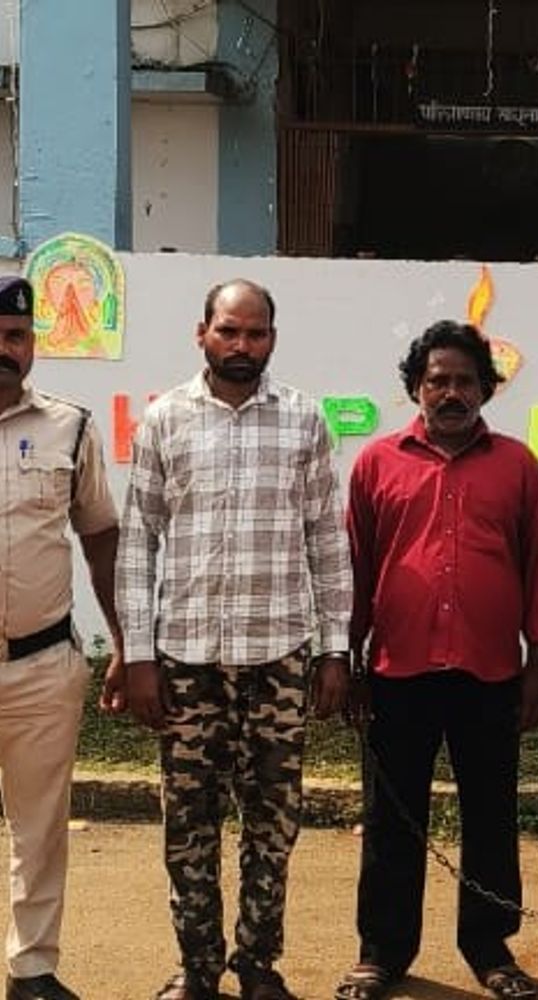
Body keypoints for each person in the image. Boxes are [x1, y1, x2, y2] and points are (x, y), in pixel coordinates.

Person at [116, 279, 352, 1000]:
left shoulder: (304, 420)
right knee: (188, 824)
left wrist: (335, 649)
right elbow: (138, 543)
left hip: (278, 657)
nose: (241, 345)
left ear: (272, 339)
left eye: (255, 333)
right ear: (203, 334)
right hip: (185, 661)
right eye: (228, 331)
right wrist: (138, 655)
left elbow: (326, 541)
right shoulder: (164, 419)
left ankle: (257, 966)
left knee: (272, 824)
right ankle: (196, 969)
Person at [335, 320, 538, 1000]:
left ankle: (490, 949)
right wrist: (346, 660)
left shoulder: (517, 465)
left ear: (486, 389)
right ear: (416, 387)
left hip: (489, 674)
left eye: (466, 381)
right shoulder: (377, 462)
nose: (452, 392)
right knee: (391, 817)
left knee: (491, 813)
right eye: (438, 380)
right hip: (396, 672)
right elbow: (356, 567)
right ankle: (382, 952)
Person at [0, 274, 123, 1000]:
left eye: (15, 336)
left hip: (41, 663)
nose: (4, 349)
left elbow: (101, 539)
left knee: (40, 828)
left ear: (33, 344)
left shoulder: (69, 427)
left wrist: (126, 645)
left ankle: (32, 970)